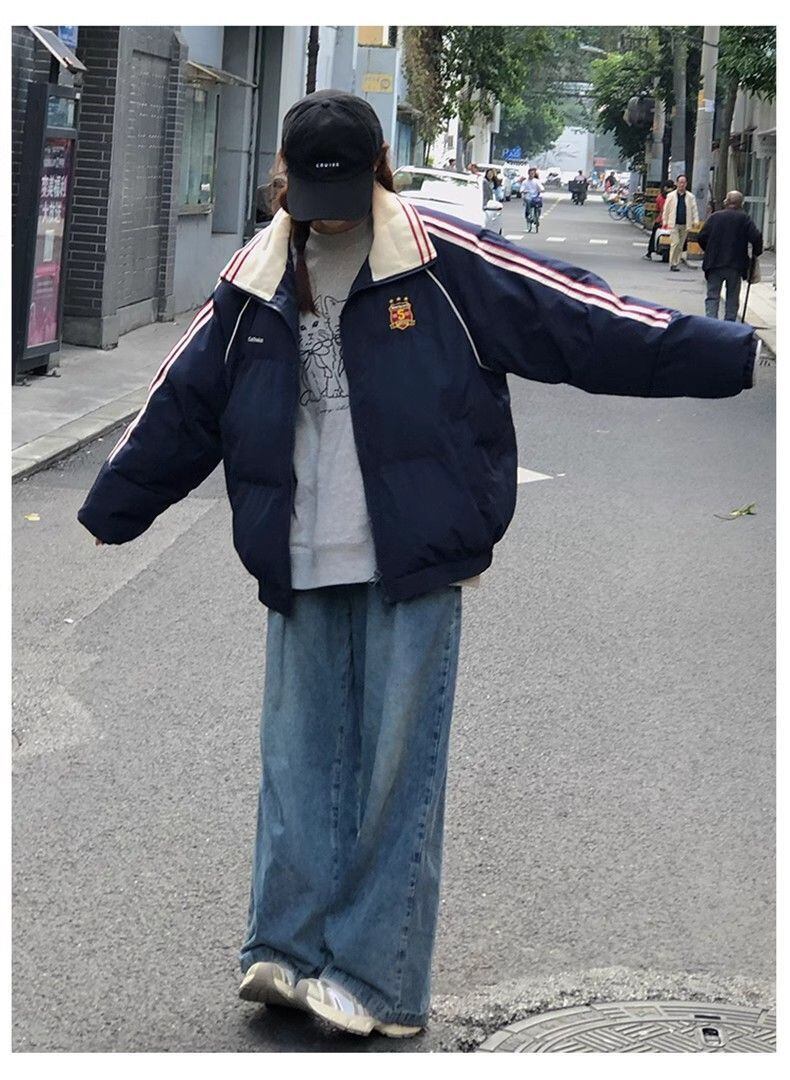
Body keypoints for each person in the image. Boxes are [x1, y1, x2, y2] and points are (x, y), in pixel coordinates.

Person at [76, 89, 759, 1043]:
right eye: (312, 197)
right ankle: (285, 947)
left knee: (397, 773)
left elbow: (581, 319)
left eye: (345, 195)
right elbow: (182, 403)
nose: (331, 215)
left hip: (415, 554)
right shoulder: (256, 277)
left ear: (378, 173)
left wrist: (728, 351)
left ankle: (379, 980)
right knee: (298, 765)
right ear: (284, 181)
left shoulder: (444, 262)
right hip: (297, 555)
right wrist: (115, 507)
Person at [698, 189, 764, 320]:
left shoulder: (715, 217)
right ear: (741, 204)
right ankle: (729, 325)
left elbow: (702, 237)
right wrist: (756, 253)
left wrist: (709, 250)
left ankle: (711, 323)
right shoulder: (744, 218)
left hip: (714, 263)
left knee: (712, 296)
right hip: (735, 264)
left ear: (726, 202)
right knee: (732, 298)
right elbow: (756, 237)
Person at [662, 173, 699, 271]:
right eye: (680, 182)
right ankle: (672, 263)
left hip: (685, 224)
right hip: (673, 223)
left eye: (684, 182)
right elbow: (666, 209)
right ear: (677, 183)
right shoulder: (671, 196)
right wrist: (665, 221)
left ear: (686, 184)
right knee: (675, 242)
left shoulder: (690, 196)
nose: (682, 184)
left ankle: (676, 262)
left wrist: (696, 220)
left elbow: (694, 209)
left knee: (680, 245)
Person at [644, 182, 672, 260]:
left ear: (665, 187)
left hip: (660, 221)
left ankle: (649, 253)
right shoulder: (674, 197)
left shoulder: (660, 197)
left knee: (653, 237)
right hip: (671, 221)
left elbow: (657, 209)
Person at [522, 167, 544, 232]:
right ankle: (529, 215)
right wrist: (524, 191)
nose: (531, 174)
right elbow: (521, 189)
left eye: (533, 173)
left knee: (539, 204)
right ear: (528, 174)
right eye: (530, 173)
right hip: (528, 197)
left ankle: (537, 218)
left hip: (535, 197)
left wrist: (541, 190)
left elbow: (541, 187)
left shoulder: (536, 181)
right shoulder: (525, 182)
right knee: (528, 202)